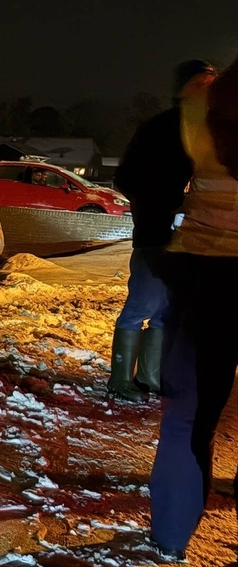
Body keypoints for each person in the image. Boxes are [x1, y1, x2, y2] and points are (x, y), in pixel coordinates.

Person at [150, 54, 238, 559]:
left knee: (189, 413)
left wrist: (158, 239)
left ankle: (171, 534)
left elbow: (160, 166)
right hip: (209, 271)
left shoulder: (204, 97)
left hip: (208, 270)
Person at [108, 60, 217, 402]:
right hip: (157, 236)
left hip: (191, 240)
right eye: (200, 84)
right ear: (183, 88)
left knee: (167, 311)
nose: (207, 91)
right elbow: (126, 178)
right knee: (142, 305)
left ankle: (150, 377)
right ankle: (120, 380)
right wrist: (162, 204)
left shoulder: (210, 130)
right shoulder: (161, 128)